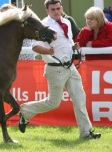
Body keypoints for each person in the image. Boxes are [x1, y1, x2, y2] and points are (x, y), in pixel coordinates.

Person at [18, 0, 101, 140]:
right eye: (53, 9)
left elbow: (67, 41)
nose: (56, 11)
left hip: (70, 67)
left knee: (80, 99)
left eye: (58, 8)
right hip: (55, 69)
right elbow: (35, 47)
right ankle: (25, 111)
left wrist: (74, 46)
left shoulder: (67, 22)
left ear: (61, 8)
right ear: (47, 11)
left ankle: (86, 132)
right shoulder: (44, 24)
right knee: (53, 103)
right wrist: (48, 51)